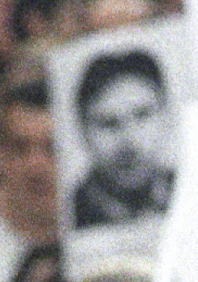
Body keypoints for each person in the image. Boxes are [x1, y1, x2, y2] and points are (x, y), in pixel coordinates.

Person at [67, 49, 174, 229]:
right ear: (83, 132)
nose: (129, 141)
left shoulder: (195, 192)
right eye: (108, 123)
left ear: (166, 115)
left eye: (142, 115)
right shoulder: (70, 213)